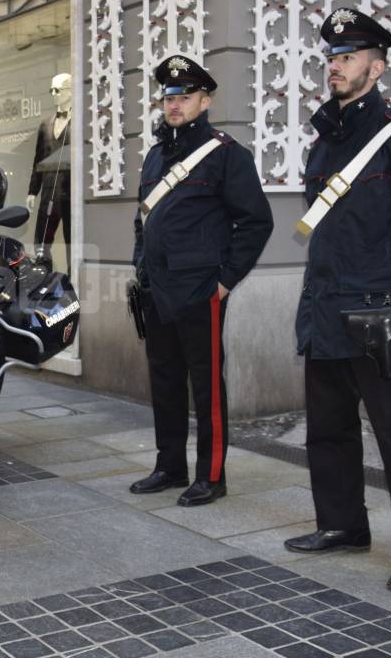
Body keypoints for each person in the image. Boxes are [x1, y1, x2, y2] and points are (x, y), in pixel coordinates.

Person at [285, 8, 391, 593]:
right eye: (333, 57)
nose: (336, 66)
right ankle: (341, 524)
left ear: (377, 67)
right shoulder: (325, 139)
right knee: (328, 427)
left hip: (379, 314)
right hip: (326, 305)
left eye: (349, 57)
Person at [130, 55, 273, 506]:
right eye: (168, 97)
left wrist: (226, 281)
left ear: (204, 100)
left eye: (184, 96)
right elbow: (144, 219)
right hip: (157, 288)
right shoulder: (156, 155)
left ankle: (211, 475)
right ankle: (169, 466)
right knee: (165, 379)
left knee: (206, 386)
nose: (174, 105)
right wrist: (140, 265)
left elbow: (256, 223)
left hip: (200, 290)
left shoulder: (225, 154)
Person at [26, 73, 73, 270]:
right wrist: (32, 192)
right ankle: (44, 282)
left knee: (73, 243)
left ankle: (74, 284)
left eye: (58, 90)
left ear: (70, 92)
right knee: (41, 242)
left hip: (69, 191)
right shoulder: (45, 125)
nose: (54, 94)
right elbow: (38, 159)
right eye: (51, 90)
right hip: (47, 191)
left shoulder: (79, 121)